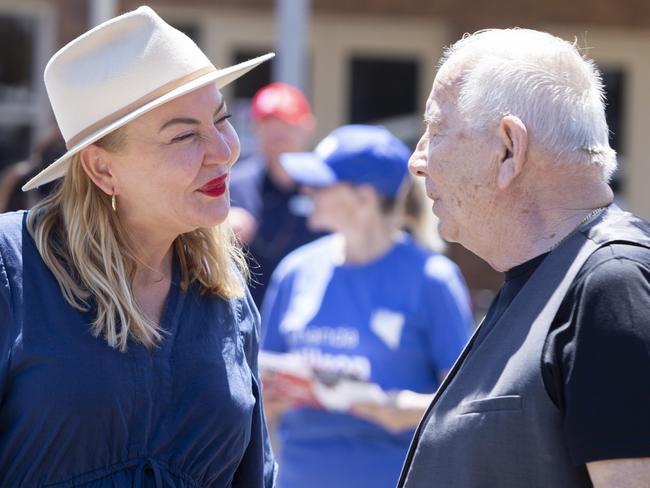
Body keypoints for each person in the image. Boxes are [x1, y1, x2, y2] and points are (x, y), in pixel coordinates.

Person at [0, 7, 276, 486]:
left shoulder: (227, 299)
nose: (224, 149)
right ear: (103, 169)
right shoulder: (12, 268)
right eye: (185, 134)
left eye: (222, 119)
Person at [400, 28, 650, 487]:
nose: (417, 161)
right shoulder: (547, 277)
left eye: (436, 131)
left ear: (508, 149)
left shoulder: (614, 286)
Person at [260, 125, 472, 488]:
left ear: (364, 197)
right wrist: (269, 398)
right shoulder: (296, 271)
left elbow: (468, 408)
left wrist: (400, 410)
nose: (306, 191)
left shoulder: (432, 280)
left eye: (321, 184)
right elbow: (259, 388)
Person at [228, 83, 321, 306]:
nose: (277, 134)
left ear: (308, 127)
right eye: (268, 125)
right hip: (249, 316)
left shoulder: (326, 185)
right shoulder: (233, 183)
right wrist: (219, 227)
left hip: (312, 313)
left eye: (286, 124)